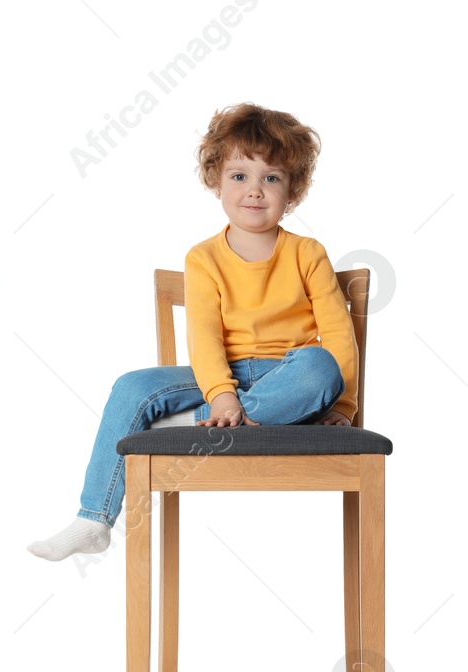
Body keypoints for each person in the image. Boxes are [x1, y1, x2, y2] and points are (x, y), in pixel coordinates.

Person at [30, 103, 358, 562]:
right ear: (217, 181)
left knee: (320, 366)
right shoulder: (203, 258)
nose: (255, 191)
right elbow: (203, 338)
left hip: (290, 373)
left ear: (293, 188)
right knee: (131, 386)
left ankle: (190, 424)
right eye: (240, 176)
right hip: (222, 373)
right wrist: (221, 393)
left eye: (272, 178)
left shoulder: (308, 252)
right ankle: (93, 519)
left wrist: (341, 406)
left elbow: (338, 335)